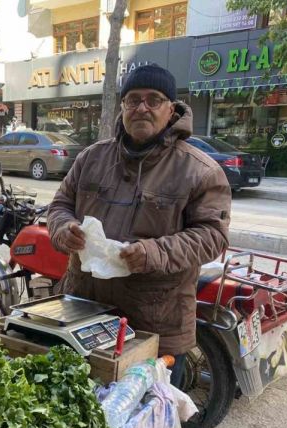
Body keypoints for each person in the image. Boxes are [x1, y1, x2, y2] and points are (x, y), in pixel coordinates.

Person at [47, 64, 231, 387]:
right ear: (122, 107)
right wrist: (63, 229)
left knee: (148, 417)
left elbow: (213, 236)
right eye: (133, 100)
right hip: (85, 314)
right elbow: (60, 205)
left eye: (153, 100)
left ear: (171, 109)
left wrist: (152, 253)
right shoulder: (91, 158)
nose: (141, 108)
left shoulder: (200, 171)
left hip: (155, 326)